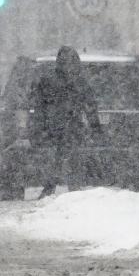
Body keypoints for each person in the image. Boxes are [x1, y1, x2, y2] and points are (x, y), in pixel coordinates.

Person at [31, 46, 103, 199]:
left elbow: (39, 107)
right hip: (65, 128)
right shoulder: (78, 82)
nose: (69, 65)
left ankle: (53, 189)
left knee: (61, 160)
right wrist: (95, 128)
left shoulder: (49, 81)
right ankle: (69, 191)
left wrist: (39, 128)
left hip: (58, 128)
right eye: (68, 62)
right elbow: (90, 106)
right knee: (69, 160)